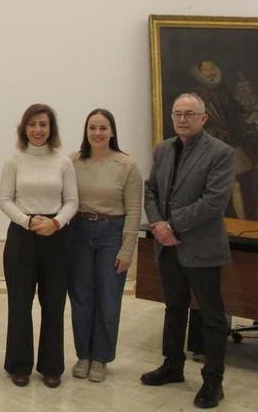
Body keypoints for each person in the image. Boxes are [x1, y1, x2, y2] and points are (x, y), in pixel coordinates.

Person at [142, 92, 235, 409]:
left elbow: (213, 201)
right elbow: (151, 189)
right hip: (167, 247)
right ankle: (172, 366)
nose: (182, 119)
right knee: (174, 308)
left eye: (189, 114)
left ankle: (213, 381)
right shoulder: (164, 149)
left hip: (201, 248)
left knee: (212, 316)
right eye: (177, 114)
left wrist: (172, 225)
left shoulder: (220, 153)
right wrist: (157, 224)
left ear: (203, 118)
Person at [0, 103, 78, 388]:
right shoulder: (14, 160)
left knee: (54, 304)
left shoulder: (63, 162)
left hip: (56, 237)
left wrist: (56, 223)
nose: (38, 130)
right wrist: (28, 222)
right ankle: (19, 365)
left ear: (51, 129)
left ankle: (51, 366)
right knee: (19, 303)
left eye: (43, 124)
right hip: (22, 236)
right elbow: (5, 200)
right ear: (24, 128)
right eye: (32, 124)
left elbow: (72, 201)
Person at [67, 109, 142, 382]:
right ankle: (83, 355)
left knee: (108, 299)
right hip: (78, 232)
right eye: (92, 128)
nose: (97, 133)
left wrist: (127, 249)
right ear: (86, 131)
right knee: (81, 297)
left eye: (103, 128)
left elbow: (134, 211)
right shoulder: (72, 161)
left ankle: (101, 357)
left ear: (112, 132)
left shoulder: (127, 165)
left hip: (112, 233)